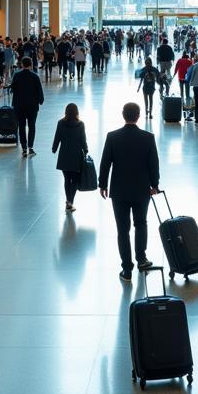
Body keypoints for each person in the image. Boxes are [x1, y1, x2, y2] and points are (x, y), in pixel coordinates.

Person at [98, 102, 160, 281]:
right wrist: (154, 185)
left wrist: (102, 184)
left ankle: (126, 269)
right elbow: (153, 164)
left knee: (122, 230)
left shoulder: (112, 137)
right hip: (142, 190)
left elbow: (105, 163)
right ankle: (141, 259)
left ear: (123, 115)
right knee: (141, 224)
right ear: (139, 115)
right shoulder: (148, 138)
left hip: (119, 191)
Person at [52, 102, 88, 212]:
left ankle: (69, 201)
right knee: (75, 180)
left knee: (67, 179)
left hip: (64, 155)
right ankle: (69, 201)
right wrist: (85, 150)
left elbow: (57, 136)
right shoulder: (80, 124)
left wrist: (54, 148)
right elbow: (83, 139)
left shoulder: (60, 123)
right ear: (77, 112)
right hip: (76, 155)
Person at [9, 56, 45, 156]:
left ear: (22, 65)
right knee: (32, 126)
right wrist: (41, 101)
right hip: (32, 106)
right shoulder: (35, 76)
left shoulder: (16, 75)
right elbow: (39, 91)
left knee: (21, 126)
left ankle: (24, 147)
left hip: (19, 105)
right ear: (31, 65)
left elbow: (12, 89)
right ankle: (30, 147)